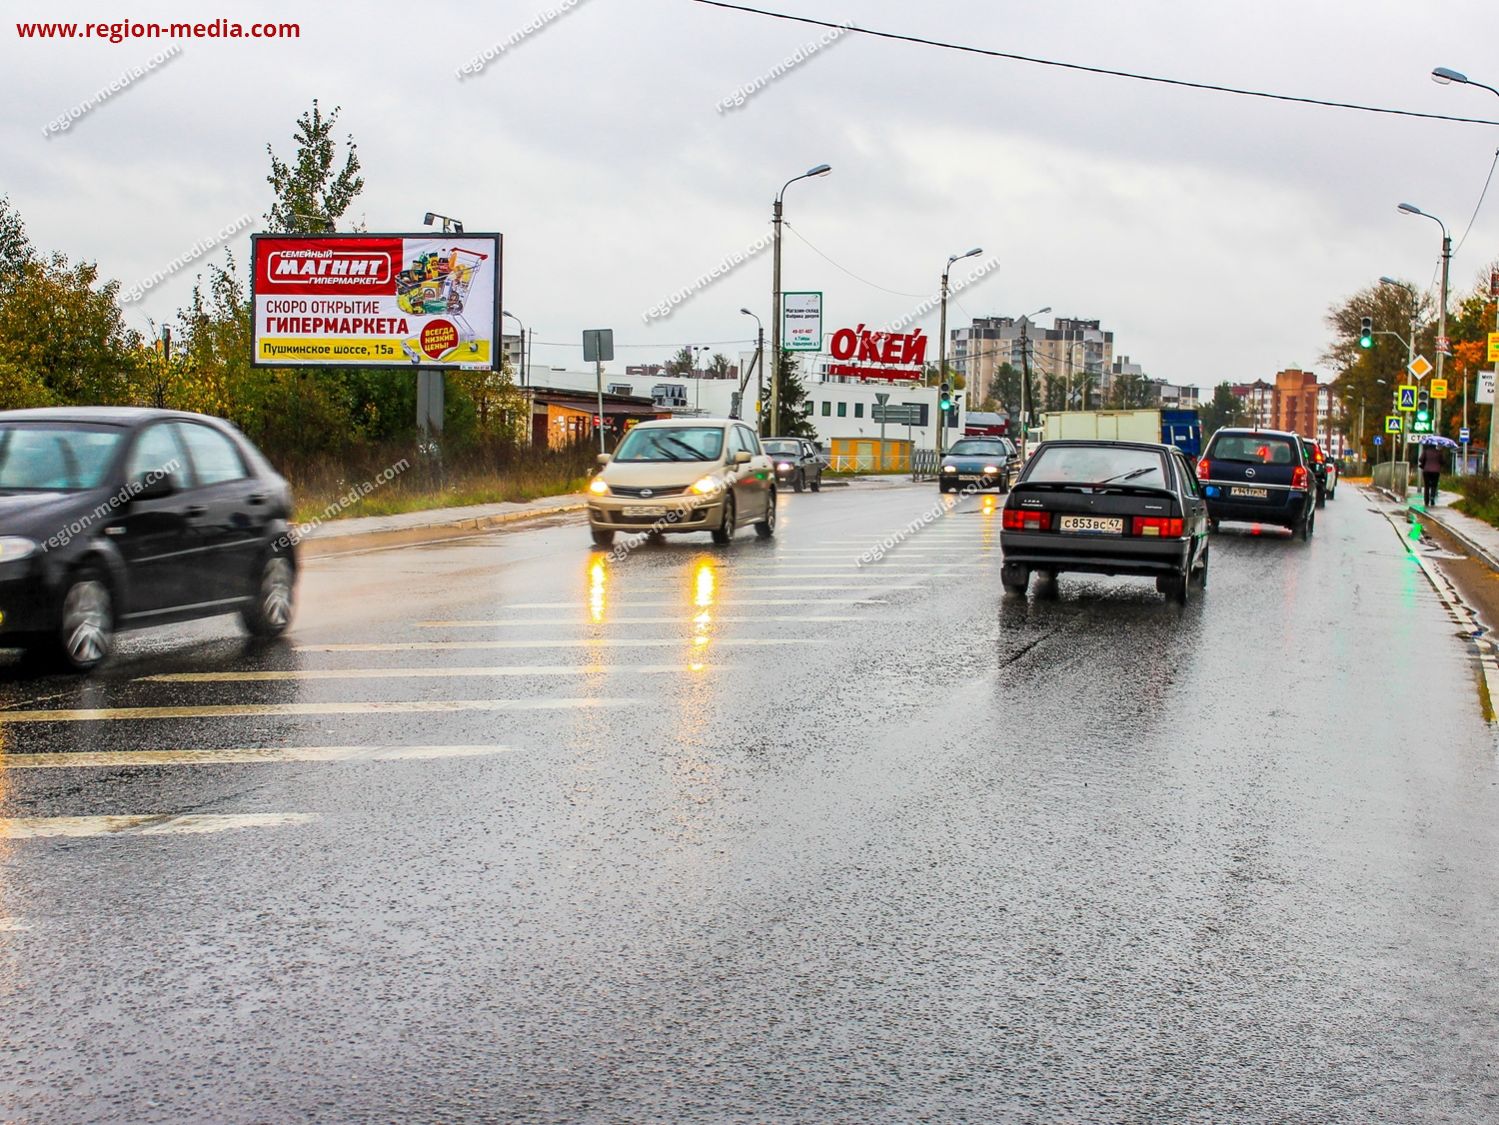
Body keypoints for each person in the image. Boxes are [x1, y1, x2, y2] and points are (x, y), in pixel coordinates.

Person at [1419, 441, 1444, 507]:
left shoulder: (1425, 451)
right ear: (1435, 445)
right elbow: (1442, 461)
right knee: (1434, 485)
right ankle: (1432, 498)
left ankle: (1426, 501)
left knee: (1426, 486)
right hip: (1436, 471)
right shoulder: (1439, 452)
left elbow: (1420, 459)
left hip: (1426, 471)